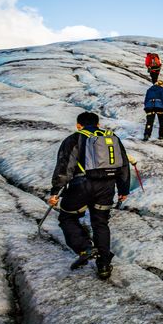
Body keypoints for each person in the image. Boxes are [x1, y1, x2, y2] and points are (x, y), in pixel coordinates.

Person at [48, 111, 130, 280]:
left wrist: (56, 191)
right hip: (107, 187)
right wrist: (123, 190)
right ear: (98, 124)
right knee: (100, 223)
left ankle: (85, 247)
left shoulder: (74, 139)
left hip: (81, 185)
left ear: (79, 125)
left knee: (67, 217)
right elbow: (123, 165)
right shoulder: (111, 138)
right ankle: (104, 265)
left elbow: (65, 166)